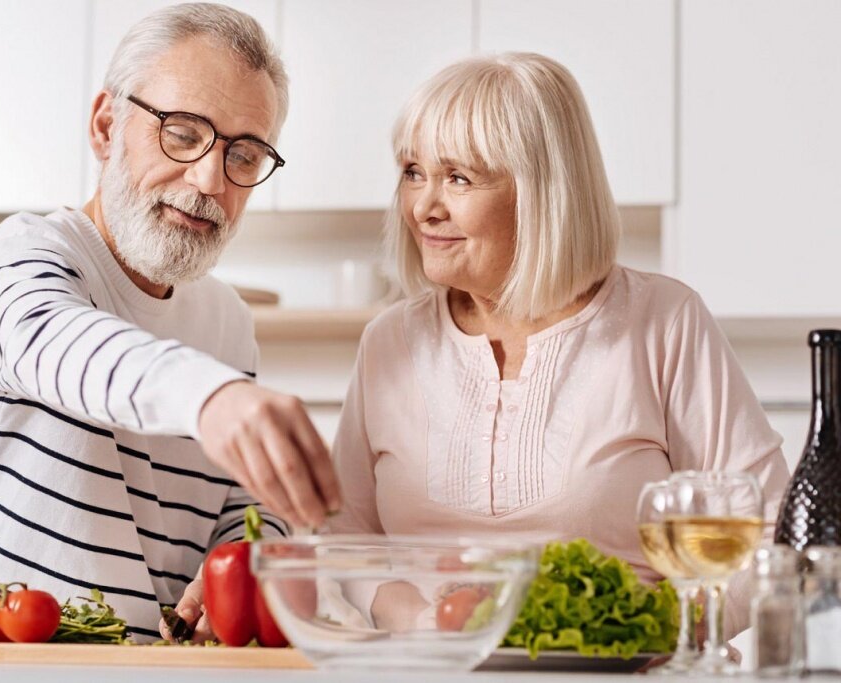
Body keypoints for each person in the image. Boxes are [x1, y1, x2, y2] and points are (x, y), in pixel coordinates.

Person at [0, 3, 339, 642]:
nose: (208, 178)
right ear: (107, 126)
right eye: (183, 133)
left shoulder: (227, 322)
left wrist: (251, 553)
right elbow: (60, 345)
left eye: (244, 155)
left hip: (146, 664)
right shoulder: (21, 258)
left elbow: (239, 507)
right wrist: (212, 398)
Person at [328, 52, 788, 638]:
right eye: (414, 172)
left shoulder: (663, 322)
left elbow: (769, 527)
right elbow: (344, 534)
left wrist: (657, 637)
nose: (424, 207)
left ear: (543, 192)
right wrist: (415, 618)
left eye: (459, 178)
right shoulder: (388, 340)